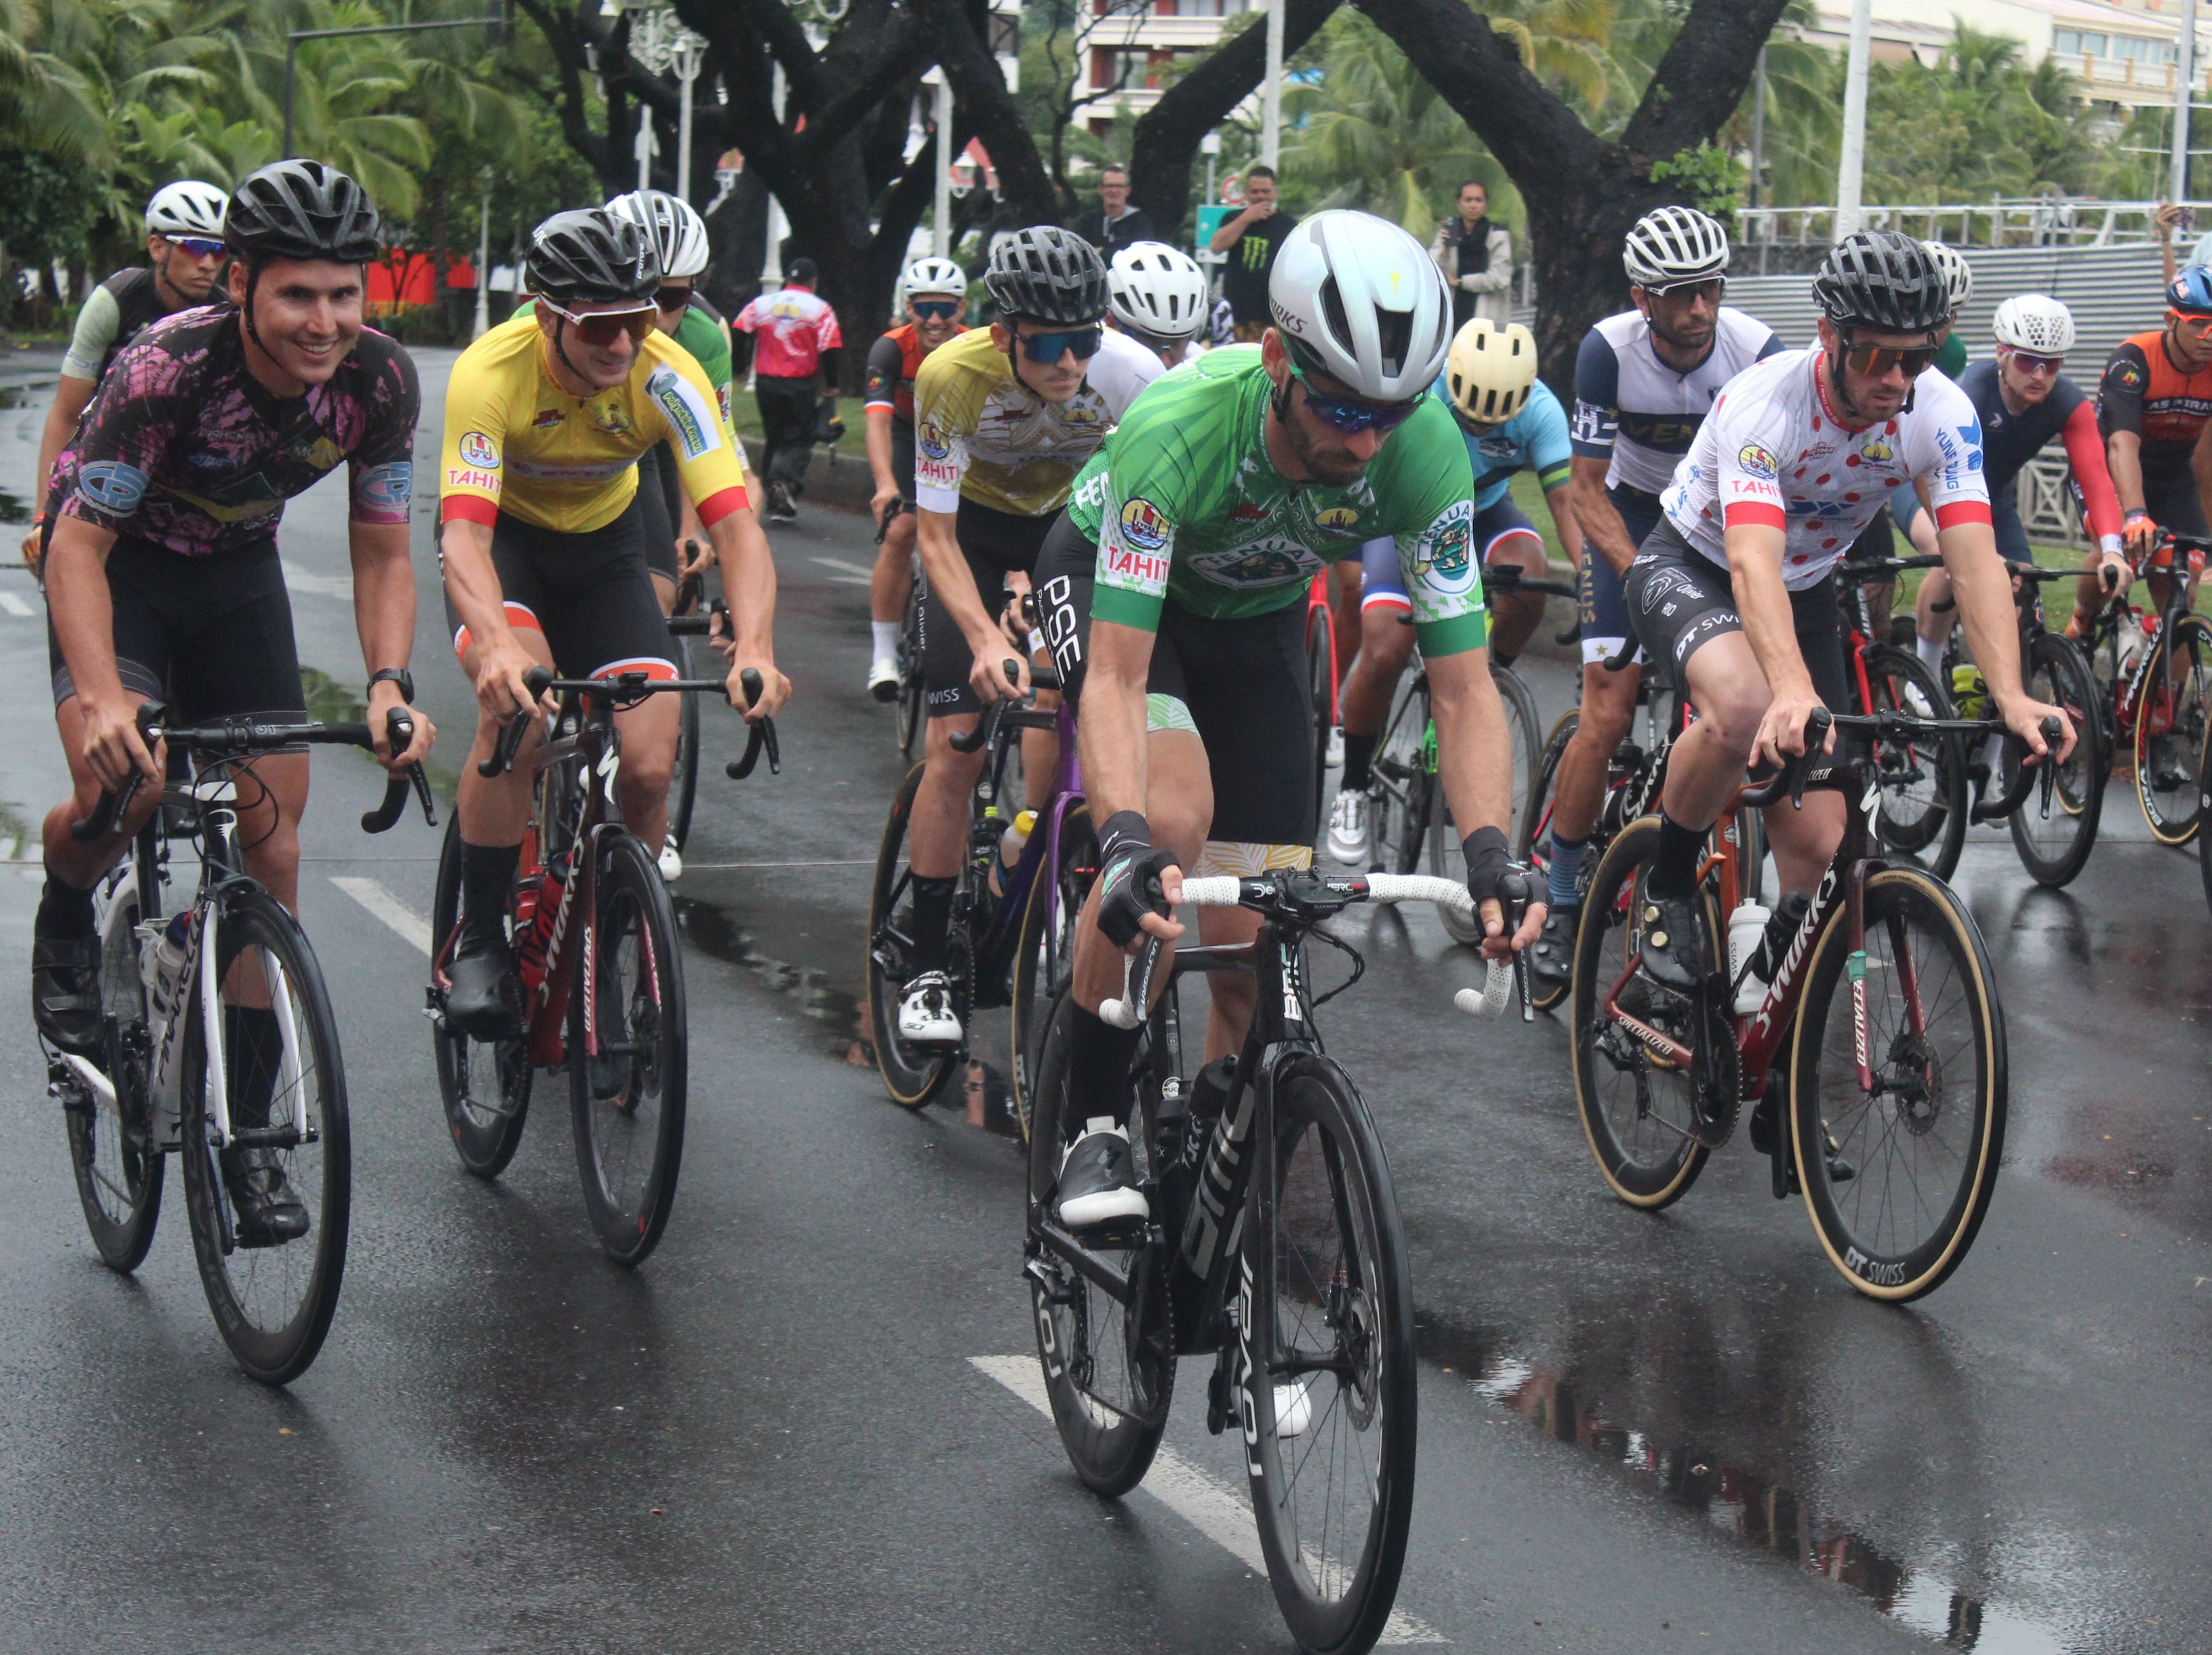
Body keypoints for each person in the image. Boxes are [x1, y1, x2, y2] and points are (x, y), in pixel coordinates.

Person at [1030, 210, 1543, 1227]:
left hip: (1256, 624)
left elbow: (1461, 683)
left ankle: (1205, 1173)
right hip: (1127, 595)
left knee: (1254, 941)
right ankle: (1089, 1120)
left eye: (1386, 415)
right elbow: (1121, 679)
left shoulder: (1421, 451)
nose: (1361, 439)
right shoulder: (1181, 422)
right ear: (1274, 357)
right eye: (1337, 407)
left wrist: (1490, 848)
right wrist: (1120, 836)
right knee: (1170, 823)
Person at [32, 161, 434, 1244]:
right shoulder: (166, 369)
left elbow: (385, 551)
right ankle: (69, 907)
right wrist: (108, 697)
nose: (325, 321)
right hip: (123, 571)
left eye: (345, 295)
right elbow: (75, 543)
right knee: (126, 780)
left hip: (237, 579)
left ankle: (252, 1141)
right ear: (242, 284)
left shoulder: (381, 384)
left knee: (275, 840)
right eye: (298, 295)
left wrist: (392, 679)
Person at [1623, 230, 2068, 1005]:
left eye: (1918, 359)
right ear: (1829, 335)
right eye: (1876, 358)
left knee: (1825, 854)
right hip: (1692, 564)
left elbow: (1972, 560)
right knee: (1746, 708)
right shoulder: (1765, 403)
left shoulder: (1941, 412)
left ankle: (1771, 1036)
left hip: (1801, 589)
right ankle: (1664, 888)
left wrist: (2012, 693)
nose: (1897, 379)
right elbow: (1750, 561)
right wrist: (1792, 688)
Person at [437, 208, 789, 1033]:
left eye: (638, 320)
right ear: (547, 313)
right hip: (507, 547)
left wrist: (758, 647)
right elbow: (463, 533)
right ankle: (482, 941)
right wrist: (492, 644)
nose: (622, 345)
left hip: (606, 552)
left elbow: (736, 526)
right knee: (518, 723)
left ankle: (621, 941)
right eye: (601, 327)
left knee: (647, 767)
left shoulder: (668, 375)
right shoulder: (490, 372)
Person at [892, 227, 1163, 1050]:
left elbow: (1146, 516)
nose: (1070, 363)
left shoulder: (1133, 376)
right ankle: (929, 963)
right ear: (1003, 332)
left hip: (1068, 530)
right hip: (970, 532)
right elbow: (932, 536)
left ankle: (1035, 846)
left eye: (1085, 339)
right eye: (1049, 344)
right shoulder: (951, 376)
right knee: (959, 744)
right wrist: (982, 633)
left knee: (1091, 704)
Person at [1540, 204, 1778, 990]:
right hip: (1630, 517)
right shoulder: (1607, 351)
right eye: (1678, 294)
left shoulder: (1754, 351)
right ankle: (1563, 891)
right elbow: (1583, 488)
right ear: (1643, 298)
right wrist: (1645, 576)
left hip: (1714, 522)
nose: (1698, 309)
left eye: (1708, 289)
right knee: (1606, 712)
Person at [1325, 318, 1581, 864]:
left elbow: (1565, 505)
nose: (1479, 426)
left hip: (1484, 514)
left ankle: (1486, 677)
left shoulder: (1542, 411)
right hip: (1408, 514)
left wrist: (1592, 582)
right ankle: (1351, 784)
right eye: (1468, 416)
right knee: (1386, 645)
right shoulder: (1417, 393)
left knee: (1529, 573)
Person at [1906, 296, 2128, 672]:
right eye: (2027, 362)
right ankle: (1922, 674)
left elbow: (2095, 478)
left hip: (1992, 498)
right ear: (2001, 354)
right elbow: (1927, 474)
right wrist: (1966, 549)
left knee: (2019, 588)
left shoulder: (2068, 403)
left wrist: (2111, 550)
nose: (2039, 375)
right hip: (1925, 485)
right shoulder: (1971, 394)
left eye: (2052, 364)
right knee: (1954, 564)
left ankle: (1999, 714)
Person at [22, 181, 232, 575]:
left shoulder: (225, 316)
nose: (208, 263)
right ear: (158, 248)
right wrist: (41, 517)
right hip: (102, 455)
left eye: (219, 250)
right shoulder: (114, 302)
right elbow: (67, 414)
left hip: (178, 471)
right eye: (195, 247)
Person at [864, 255, 971, 700]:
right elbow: (876, 424)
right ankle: (883, 655)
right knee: (902, 530)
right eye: (923, 307)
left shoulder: (976, 348)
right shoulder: (889, 349)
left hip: (961, 438)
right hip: (910, 436)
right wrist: (886, 484)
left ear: (961, 311)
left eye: (944, 309)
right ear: (908, 309)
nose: (933, 319)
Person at [2092, 267, 2212, 644]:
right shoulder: (2134, 358)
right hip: (2110, 471)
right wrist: (2134, 514)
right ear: (2170, 320)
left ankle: (2166, 698)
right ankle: (2080, 624)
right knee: (2115, 555)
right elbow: (2122, 444)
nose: (2209, 337)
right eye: (2198, 324)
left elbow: (2206, 462)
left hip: (2172, 477)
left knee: (2181, 595)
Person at [732, 257, 843, 523]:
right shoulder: (820, 309)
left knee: (775, 435)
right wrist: (832, 385)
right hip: (799, 384)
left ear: (787, 279)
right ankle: (782, 481)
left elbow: (739, 330)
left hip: (766, 383)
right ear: (813, 282)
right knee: (798, 436)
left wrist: (740, 366)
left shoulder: (763, 304)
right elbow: (831, 348)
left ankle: (774, 496)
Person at [1208, 166, 1297, 343]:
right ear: (1247, 194)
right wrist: (1246, 218)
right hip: (1237, 313)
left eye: (1266, 192)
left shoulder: (1288, 225)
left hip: (1272, 314)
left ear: (1275, 193)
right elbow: (1216, 246)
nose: (1261, 197)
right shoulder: (1233, 218)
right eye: (1255, 192)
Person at [1103, 241, 1210, 371]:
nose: (1165, 362)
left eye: (1177, 344)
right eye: (1150, 343)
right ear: (1111, 325)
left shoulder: (1201, 365)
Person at [1429, 179, 1513, 332]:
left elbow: (1499, 278)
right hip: (1452, 316)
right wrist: (1446, 250)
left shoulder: (1497, 235)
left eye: (1478, 200)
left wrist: (1462, 282)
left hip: (1486, 318)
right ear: (1458, 203)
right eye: (1468, 200)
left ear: (1486, 204)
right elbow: (1433, 272)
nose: (1473, 205)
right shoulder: (1449, 232)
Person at [1071, 166, 1156, 257]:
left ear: (1128, 191)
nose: (1114, 191)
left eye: (1119, 186)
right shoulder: (1087, 222)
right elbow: (1079, 254)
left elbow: (1141, 255)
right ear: (1101, 190)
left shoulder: (1140, 222)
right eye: (1109, 186)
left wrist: (1101, 252)